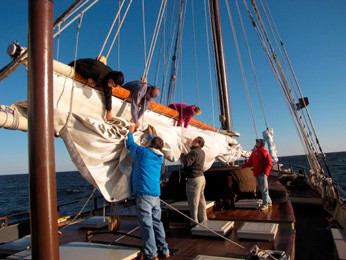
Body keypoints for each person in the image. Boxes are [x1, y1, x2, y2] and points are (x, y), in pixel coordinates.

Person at [126, 125, 169, 260]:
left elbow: (130, 144)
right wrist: (150, 135)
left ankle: (152, 254)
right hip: (155, 194)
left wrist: (130, 131)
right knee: (157, 222)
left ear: (150, 144)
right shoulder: (160, 157)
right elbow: (154, 145)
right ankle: (165, 249)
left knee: (146, 225)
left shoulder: (143, 152)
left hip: (144, 194)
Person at [180, 136, 208, 226]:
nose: (192, 141)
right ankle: (204, 219)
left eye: (195, 140)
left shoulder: (194, 152)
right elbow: (193, 155)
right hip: (201, 178)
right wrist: (190, 146)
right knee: (201, 201)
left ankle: (194, 223)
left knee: (193, 202)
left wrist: (181, 154)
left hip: (194, 179)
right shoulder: (201, 152)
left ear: (198, 143)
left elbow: (187, 162)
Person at [241, 138, 273, 211]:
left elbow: (269, 163)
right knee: (262, 189)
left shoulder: (265, 152)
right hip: (256, 173)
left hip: (262, 174)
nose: (256, 143)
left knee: (264, 189)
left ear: (261, 143)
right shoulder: (255, 152)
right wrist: (242, 166)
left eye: (258, 142)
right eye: (256, 142)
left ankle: (265, 204)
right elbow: (249, 162)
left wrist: (265, 172)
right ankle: (269, 202)